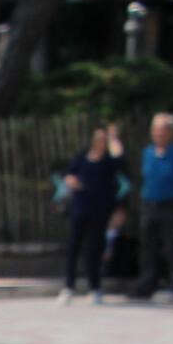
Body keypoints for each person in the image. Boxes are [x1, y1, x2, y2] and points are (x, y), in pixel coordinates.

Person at [129, 112, 173, 301]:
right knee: (148, 246)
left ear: (170, 132)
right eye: (155, 129)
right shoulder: (147, 152)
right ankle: (147, 283)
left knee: (172, 245)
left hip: (170, 204)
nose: (157, 133)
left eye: (162, 129)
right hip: (149, 204)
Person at [58, 125, 124, 304]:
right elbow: (69, 172)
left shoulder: (109, 161)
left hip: (99, 209)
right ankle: (68, 287)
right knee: (73, 247)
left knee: (94, 249)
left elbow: (119, 157)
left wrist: (114, 139)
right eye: (98, 139)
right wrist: (71, 180)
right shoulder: (83, 155)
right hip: (79, 207)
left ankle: (95, 288)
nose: (100, 143)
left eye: (104, 140)